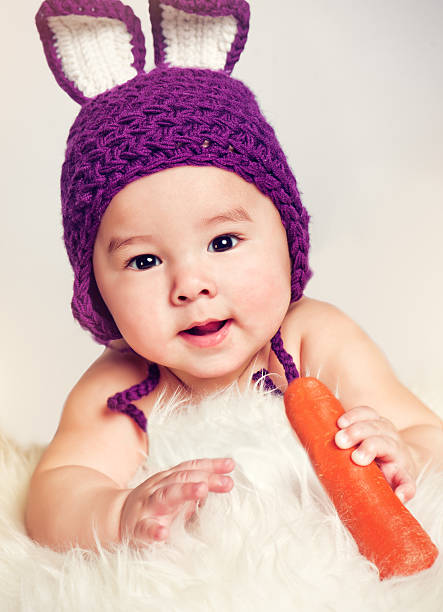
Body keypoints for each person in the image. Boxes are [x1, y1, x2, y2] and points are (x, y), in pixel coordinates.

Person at [25, 0, 443, 553]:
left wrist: (404, 451)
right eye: (144, 260)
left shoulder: (315, 338)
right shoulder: (119, 389)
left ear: (287, 239)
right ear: (95, 287)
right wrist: (118, 513)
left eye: (223, 242)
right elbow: (56, 494)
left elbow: (426, 435)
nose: (191, 286)